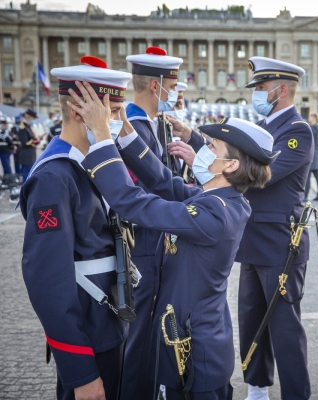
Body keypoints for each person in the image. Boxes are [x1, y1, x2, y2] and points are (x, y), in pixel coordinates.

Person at [72, 74, 277, 399]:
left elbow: (135, 204)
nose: (203, 150)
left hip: (194, 350)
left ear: (231, 164)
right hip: (192, 337)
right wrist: (124, 129)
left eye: (212, 147)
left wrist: (101, 137)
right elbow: (164, 182)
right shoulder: (219, 199)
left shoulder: (216, 213)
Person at [19, 56, 131, 400]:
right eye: (111, 114)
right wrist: (80, 370)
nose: (116, 123)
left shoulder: (89, 164)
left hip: (110, 327)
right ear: (83, 113)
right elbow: (47, 282)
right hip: (89, 336)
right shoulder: (54, 176)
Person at [122, 45, 206, 400]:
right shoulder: (134, 128)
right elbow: (148, 189)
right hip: (142, 245)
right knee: (139, 338)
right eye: (173, 84)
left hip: (157, 243)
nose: (178, 91)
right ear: (156, 86)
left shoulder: (154, 124)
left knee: (152, 335)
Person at [238, 56, 313, 400]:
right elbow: (234, 156)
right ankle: (257, 387)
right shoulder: (264, 128)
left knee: (284, 327)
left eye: (261, 87)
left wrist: (208, 164)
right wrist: (195, 139)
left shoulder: (297, 130)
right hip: (253, 237)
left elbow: (264, 176)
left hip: (281, 243)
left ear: (281, 90)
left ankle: (295, 394)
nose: (256, 93)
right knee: (251, 318)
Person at [304, 113, 318, 201]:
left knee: (307, 177)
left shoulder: (311, 129)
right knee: (317, 176)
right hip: (317, 153)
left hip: (311, 153)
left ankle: (305, 196)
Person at [16, 109, 40, 181]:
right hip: (26, 156)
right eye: (33, 118)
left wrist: (37, 140)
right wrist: (35, 141)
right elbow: (25, 142)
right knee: (26, 175)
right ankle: (25, 191)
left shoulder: (27, 126)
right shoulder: (23, 127)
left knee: (29, 174)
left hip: (29, 155)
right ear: (29, 117)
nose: (33, 120)